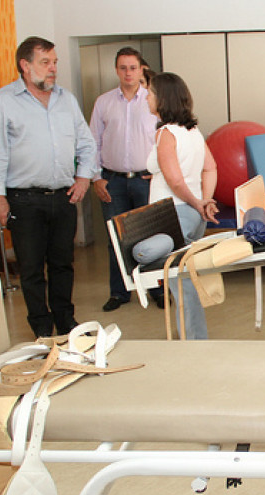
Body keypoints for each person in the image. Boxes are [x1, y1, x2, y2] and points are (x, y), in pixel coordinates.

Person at [0, 36, 97, 338]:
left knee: (63, 264)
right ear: (25, 65)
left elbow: (86, 143)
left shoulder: (66, 100)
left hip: (63, 197)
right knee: (31, 269)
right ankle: (42, 329)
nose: (53, 68)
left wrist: (84, 177)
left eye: (54, 62)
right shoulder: (3, 102)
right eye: (45, 62)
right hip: (24, 199)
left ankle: (66, 322)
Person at [146, 72, 219, 339]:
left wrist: (199, 202)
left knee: (181, 285)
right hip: (191, 214)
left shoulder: (166, 133)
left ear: (162, 98)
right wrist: (204, 201)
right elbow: (210, 168)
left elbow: (175, 181)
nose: (146, 97)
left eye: (150, 93)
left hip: (174, 214)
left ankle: (194, 343)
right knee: (186, 281)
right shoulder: (192, 131)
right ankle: (195, 339)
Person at [89, 46, 161, 311]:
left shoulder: (153, 101)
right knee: (116, 239)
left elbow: (165, 140)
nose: (128, 73)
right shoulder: (103, 102)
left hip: (146, 180)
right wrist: (96, 178)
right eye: (123, 68)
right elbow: (92, 142)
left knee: (151, 237)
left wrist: (159, 172)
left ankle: (156, 290)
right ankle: (119, 292)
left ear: (141, 69)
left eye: (133, 68)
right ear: (116, 70)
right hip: (113, 181)